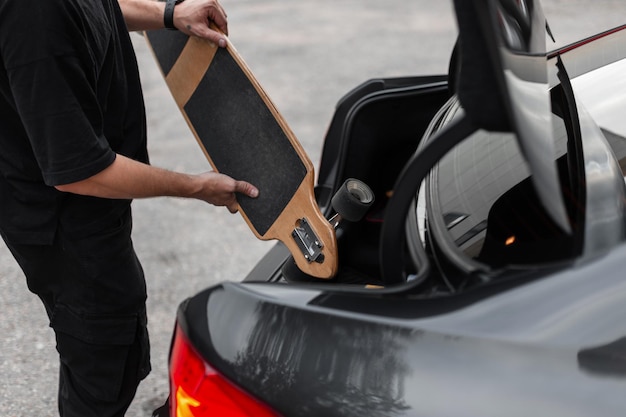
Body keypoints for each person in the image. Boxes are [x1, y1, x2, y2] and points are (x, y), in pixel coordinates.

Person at [0, 0, 257, 415]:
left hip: (93, 210)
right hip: (67, 226)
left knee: (114, 347)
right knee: (103, 365)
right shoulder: (35, 17)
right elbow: (80, 171)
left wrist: (169, 14)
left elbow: (94, 11)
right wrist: (196, 186)